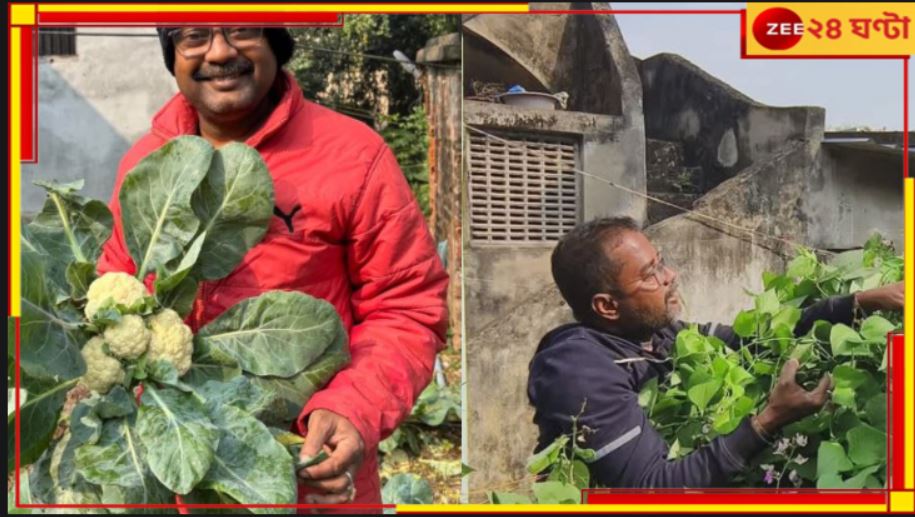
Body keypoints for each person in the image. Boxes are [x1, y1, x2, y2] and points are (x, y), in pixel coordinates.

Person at [97, 26, 449, 505]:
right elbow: (113, 288)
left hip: (308, 474)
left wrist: (351, 408)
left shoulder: (354, 156)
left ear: (274, 41)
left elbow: (407, 308)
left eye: (241, 30)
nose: (219, 52)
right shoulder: (145, 162)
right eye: (194, 37)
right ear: (172, 54)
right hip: (175, 476)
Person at [528, 216, 903, 488]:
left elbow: (751, 343)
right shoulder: (578, 368)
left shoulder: (657, 333)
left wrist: (861, 301)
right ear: (607, 306)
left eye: (661, 261)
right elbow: (653, 488)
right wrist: (768, 420)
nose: (670, 275)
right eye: (650, 274)